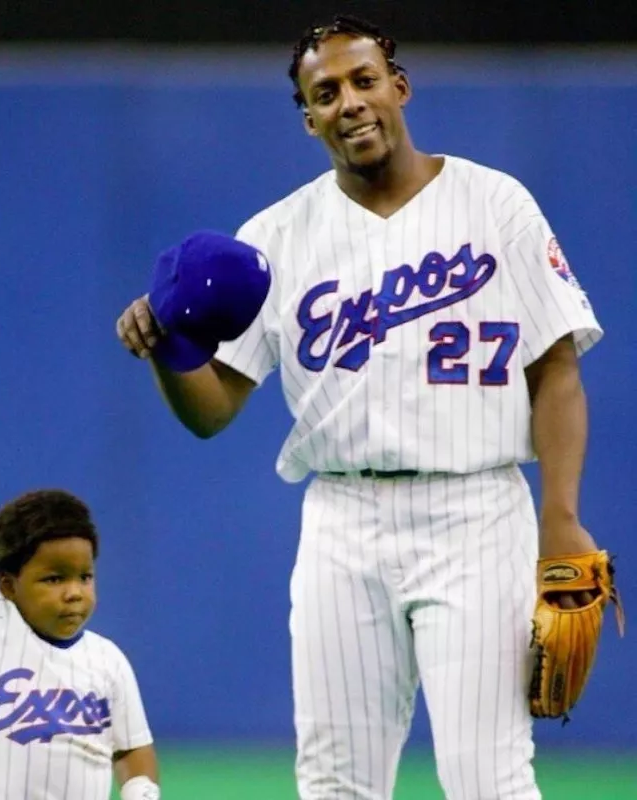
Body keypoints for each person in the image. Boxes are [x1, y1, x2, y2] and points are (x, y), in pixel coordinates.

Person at [115, 14, 607, 800]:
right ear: (308, 118)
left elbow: (556, 371)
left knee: (488, 779)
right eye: (326, 92)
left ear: (399, 87)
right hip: (342, 524)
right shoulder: (275, 237)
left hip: (477, 512)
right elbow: (213, 411)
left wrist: (561, 515)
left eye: (363, 80)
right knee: (335, 784)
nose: (349, 101)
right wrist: (170, 350)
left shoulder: (496, 203)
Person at [0, 402, 160, 800]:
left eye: (84, 576)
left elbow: (132, 748)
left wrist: (141, 789)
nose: (74, 591)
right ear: (7, 584)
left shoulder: (109, 661)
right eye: (54, 578)